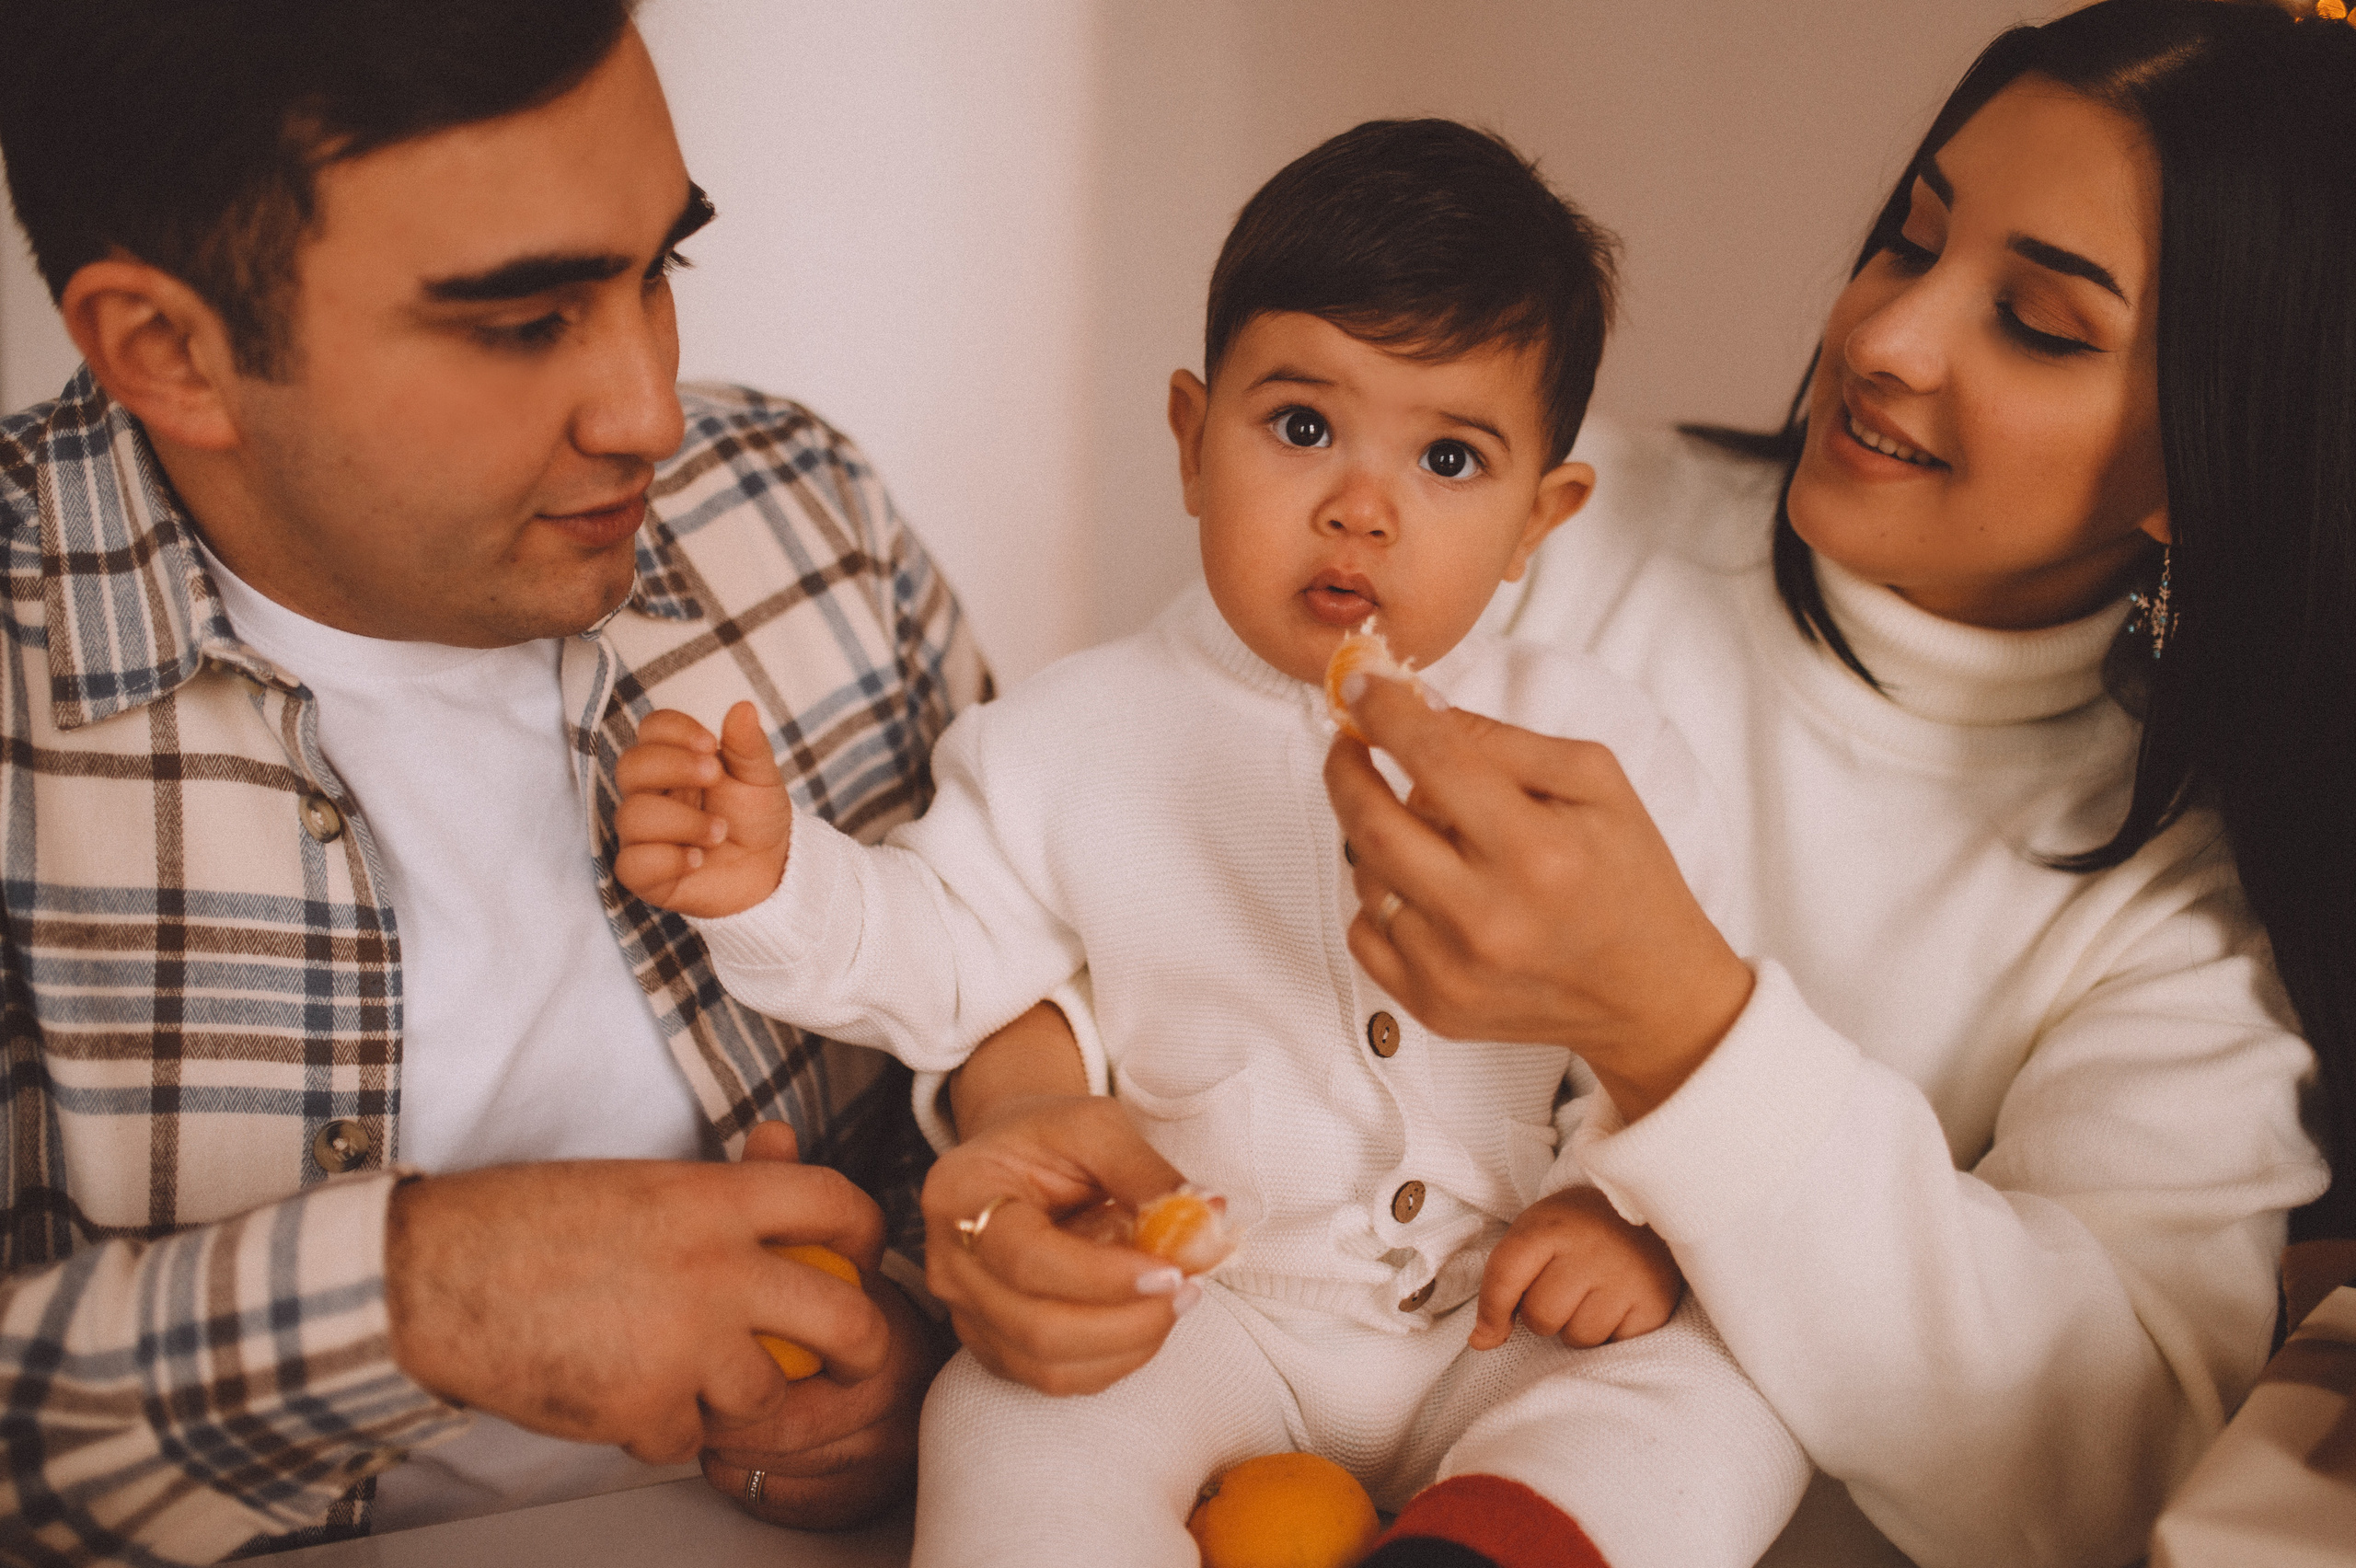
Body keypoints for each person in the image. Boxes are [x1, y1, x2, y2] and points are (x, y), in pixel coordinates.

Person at [922, 3, 2349, 1566]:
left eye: (2041, 323)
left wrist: (1681, 1030)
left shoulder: (2172, 925)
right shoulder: (1513, 526)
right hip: (1244, 1365)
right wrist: (1028, 1148)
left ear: (2213, 452)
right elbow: (1111, 833)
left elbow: (2121, 1467)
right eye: (1910, 240)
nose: (1882, 337)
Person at [615, 121, 1808, 1568]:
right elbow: (940, 954)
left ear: (1536, 522)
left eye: (1448, 456)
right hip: (1201, 1312)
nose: (1360, 505)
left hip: (1506, 1309)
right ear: (1192, 441)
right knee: (1004, 1417)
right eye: (1301, 427)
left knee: (1726, 1398)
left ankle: (1486, 1548)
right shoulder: (1070, 734)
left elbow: (1679, 1024)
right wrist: (776, 879)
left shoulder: (1595, 756)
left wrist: (1624, 1214)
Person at [0, 2, 1005, 1559]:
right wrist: (419, 1300)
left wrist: (941, 1347)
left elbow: (1040, 1051)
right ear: (170, 352)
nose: (652, 415)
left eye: (659, 268)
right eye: (525, 320)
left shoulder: (808, 516)